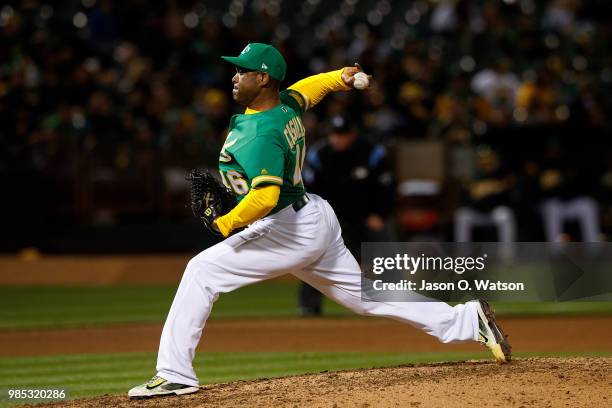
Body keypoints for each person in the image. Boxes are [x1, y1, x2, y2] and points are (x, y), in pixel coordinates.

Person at [128, 43, 511, 399]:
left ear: (263, 78)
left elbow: (265, 196)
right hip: (313, 216)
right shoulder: (283, 107)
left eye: (243, 71)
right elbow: (308, 89)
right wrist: (339, 78)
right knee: (366, 296)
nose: (234, 76)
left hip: (288, 228)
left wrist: (225, 224)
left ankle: (175, 373)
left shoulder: (260, 132)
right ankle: (466, 319)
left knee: (201, 270)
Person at [298, 113, 395, 316]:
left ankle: (395, 303)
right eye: (334, 134)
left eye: (342, 134)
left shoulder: (371, 152)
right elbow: (308, 190)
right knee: (314, 255)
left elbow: (386, 187)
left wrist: (380, 214)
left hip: (369, 217)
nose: (337, 138)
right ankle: (309, 305)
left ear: (352, 135)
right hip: (334, 219)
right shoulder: (319, 154)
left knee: (387, 255)